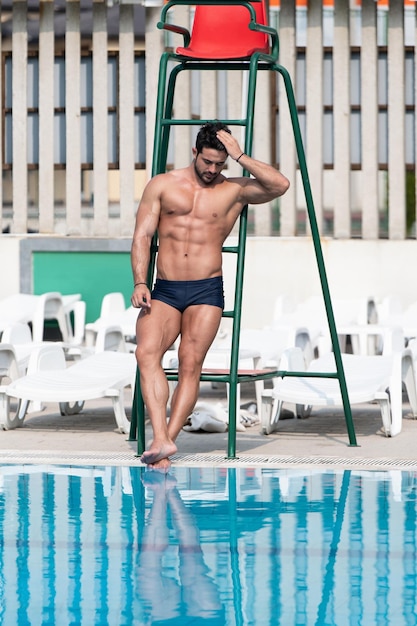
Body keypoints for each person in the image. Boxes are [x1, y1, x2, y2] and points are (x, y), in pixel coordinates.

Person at [131, 122, 290, 469]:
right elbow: (143, 235)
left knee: (190, 364)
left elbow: (280, 185)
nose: (212, 170)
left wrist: (241, 156)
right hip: (165, 289)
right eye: (207, 162)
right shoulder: (162, 185)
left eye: (220, 164)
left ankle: (166, 442)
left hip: (206, 289)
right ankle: (160, 437)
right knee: (146, 353)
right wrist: (140, 282)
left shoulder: (233, 190)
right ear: (194, 153)